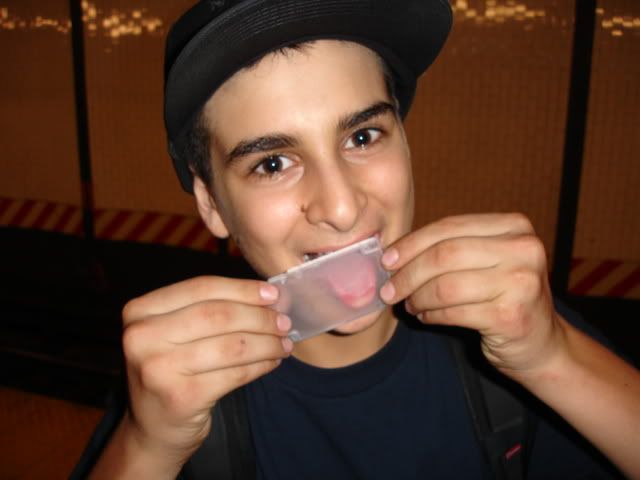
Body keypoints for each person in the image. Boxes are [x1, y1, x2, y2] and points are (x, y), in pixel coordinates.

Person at [80, 1, 640, 478]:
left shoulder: (516, 335)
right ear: (211, 203)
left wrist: (552, 357)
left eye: (363, 136)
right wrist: (148, 445)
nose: (343, 207)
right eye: (272, 163)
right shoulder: (177, 396)